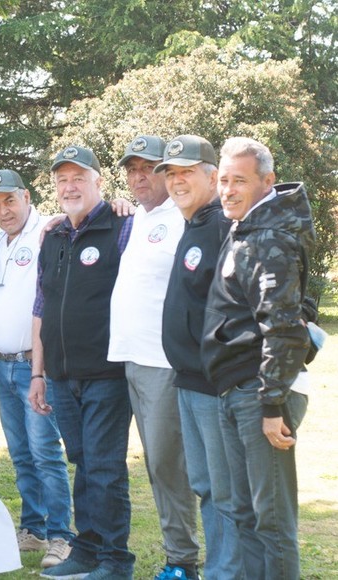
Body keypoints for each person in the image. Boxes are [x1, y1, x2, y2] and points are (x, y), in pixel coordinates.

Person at [202, 137, 315, 580]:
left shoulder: (269, 237)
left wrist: (271, 407)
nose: (228, 190)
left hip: (260, 395)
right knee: (246, 513)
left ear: (267, 182)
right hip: (236, 388)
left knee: (271, 519)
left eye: (240, 181)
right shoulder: (247, 228)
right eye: (224, 181)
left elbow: (282, 327)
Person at [28, 145, 134, 580]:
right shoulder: (52, 236)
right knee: (83, 463)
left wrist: (125, 207)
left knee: (105, 468)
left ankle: (115, 561)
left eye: (79, 178)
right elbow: (41, 306)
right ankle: (87, 550)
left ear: (98, 182)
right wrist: (38, 372)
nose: (69, 187)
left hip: (106, 373)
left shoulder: (122, 226)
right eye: (62, 180)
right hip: (60, 374)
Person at [108, 136, 200, 580]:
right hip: (130, 359)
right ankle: (178, 555)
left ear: (166, 173)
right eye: (132, 169)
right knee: (155, 463)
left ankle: (182, 562)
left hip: (164, 363)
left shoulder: (182, 217)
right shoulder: (137, 218)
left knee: (167, 464)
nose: (138, 176)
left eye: (148, 168)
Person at [0, 169, 74, 565]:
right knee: (20, 452)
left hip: (37, 365)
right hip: (0, 365)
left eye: (10, 201)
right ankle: (33, 528)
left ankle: (61, 535)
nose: (4, 211)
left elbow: (81, 221)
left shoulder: (48, 233)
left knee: (45, 451)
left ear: (27, 197)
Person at [157, 134, 242, 580]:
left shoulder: (222, 226)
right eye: (171, 173)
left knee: (224, 490)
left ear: (213, 177)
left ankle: (228, 572)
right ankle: (221, 569)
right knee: (206, 484)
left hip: (214, 383)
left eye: (186, 172)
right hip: (188, 380)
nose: (177, 181)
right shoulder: (192, 225)